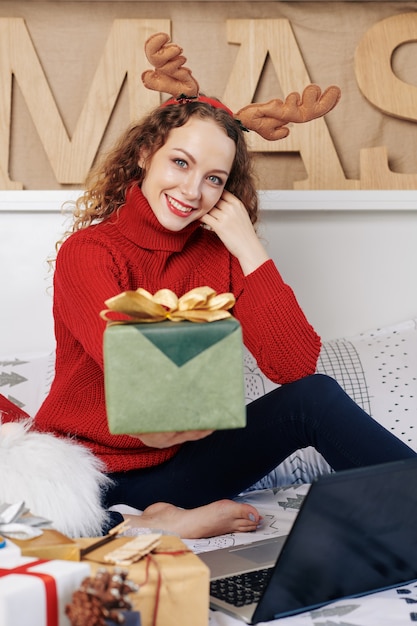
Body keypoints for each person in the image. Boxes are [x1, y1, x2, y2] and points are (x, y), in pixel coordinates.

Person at [21, 35, 417, 538]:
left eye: (214, 178)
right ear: (146, 153)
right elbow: (144, 390)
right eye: (180, 163)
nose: (192, 192)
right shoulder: (91, 253)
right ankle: (158, 526)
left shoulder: (221, 252)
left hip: (180, 469)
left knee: (313, 398)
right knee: (43, 524)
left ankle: (163, 518)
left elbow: (294, 367)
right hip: (92, 478)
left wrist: (247, 246)